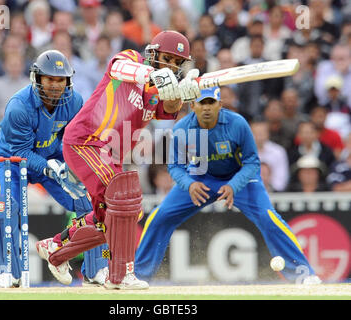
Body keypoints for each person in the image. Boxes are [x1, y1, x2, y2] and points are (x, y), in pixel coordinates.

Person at [36, 30, 201, 290]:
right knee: (125, 201)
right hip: (86, 140)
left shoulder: (158, 91)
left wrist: (183, 92)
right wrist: (152, 74)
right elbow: (118, 67)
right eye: (168, 58)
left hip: (109, 155)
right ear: (153, 53)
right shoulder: (132, 59)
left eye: (178, 63)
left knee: (109, 218)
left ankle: (55, 249)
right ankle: (121, 275)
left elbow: (168, 110)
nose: (172, 65)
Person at [134, 87, 321, 285]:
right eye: (201, 103)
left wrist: (234, 185)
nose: (207, 108)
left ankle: (303, 274)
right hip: (200, 179)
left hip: (239, 178)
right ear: (192, 106)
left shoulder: (237, 123)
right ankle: (139, 277)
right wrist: (189, 185)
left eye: (211, 103)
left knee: (269, 218)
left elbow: (252, 162)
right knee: (159, 217)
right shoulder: (182, 128)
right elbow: (175, 166)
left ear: (220, 105)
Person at [0, 50, 93, 288]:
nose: (56, 85)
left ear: (68, 80)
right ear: (37, 78)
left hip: (51, 157)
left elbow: (76, 140)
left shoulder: (75, 101)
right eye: (49, 79)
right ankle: (7, 272)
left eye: (60, 80)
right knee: (5, 205)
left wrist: (74, 168)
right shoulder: (18, 106)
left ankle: (91, 269)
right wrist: (49, 168)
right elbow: (22, 153)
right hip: (11, 161)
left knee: (86, 203)